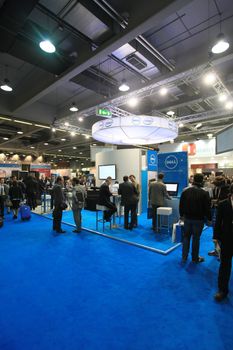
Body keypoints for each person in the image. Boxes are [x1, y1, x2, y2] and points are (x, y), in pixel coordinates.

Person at [179, 173, 211, 263]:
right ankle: (195, 258)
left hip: (187, 218)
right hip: (199, 219)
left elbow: (181, 205)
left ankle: (184, 256)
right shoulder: (204, 193)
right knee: (196, 238)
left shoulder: (185, 191)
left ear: (193, 180)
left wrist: (181, 215)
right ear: (202, 180)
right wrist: (209, 219)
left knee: (186, 237)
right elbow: (207, 208)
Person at [213, 184, 233, 301]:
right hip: (227, 239)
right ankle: (222, 290)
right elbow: (217, 222)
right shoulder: (223, 204)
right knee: (225, 265)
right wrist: (216, 237)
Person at [208, 176, 230, 257]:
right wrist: (212, 201)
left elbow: (227, 202)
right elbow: (212, 198)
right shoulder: (215, 189)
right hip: (215, 211)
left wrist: (218, 201)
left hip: (224, 215)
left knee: (223, 232)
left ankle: (222, 252)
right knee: (215, 231)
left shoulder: (228, 190)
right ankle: (216, 250)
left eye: (217, 184)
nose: (215, 186)